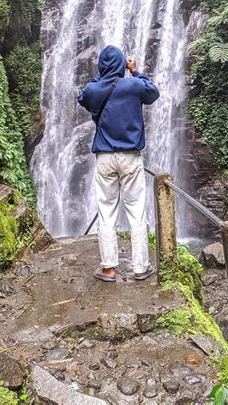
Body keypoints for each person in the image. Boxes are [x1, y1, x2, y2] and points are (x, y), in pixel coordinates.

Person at [78, 45, 160, 282]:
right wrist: (134, 71)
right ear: (124, 63)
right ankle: (140, 268)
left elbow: (84, 95)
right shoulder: (134, 85)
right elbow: (153, 93)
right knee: (136, 212)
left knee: (106, 212)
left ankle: (109, 269)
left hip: (104, 157)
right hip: (130, 157)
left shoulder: (94, 89)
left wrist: (103, 74)